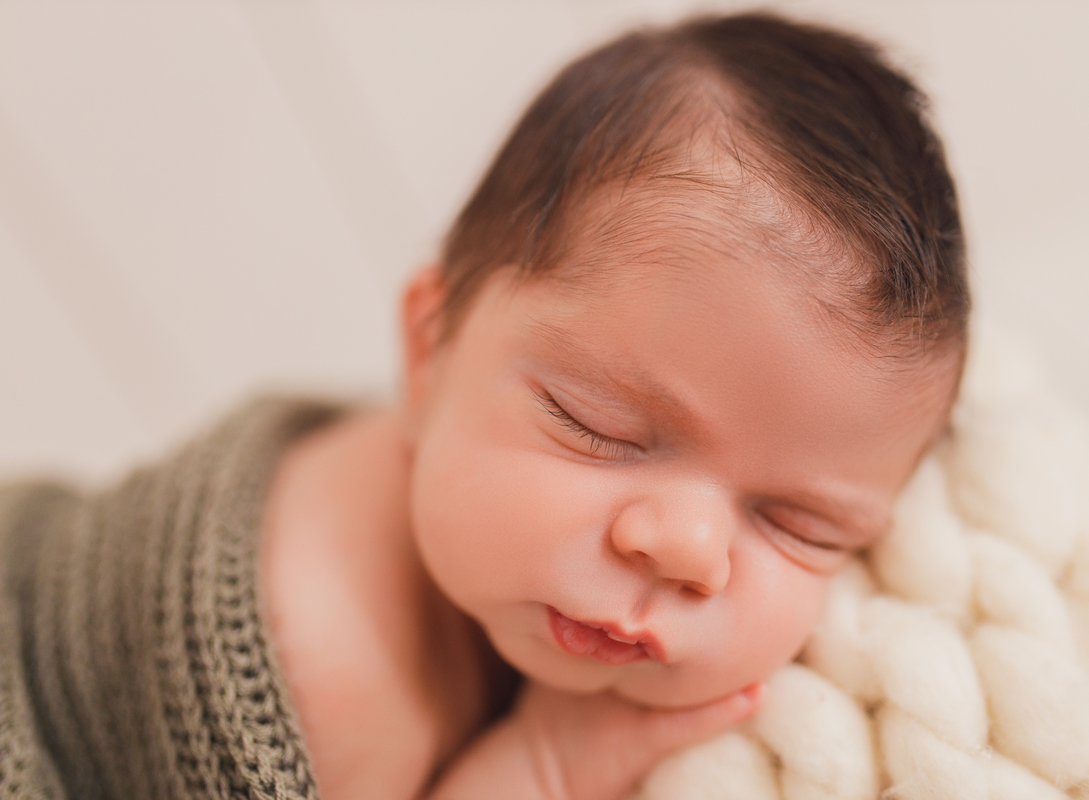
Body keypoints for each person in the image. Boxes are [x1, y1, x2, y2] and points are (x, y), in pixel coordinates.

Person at [0, 12, 968, 800]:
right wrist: (541, 768)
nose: (688, 551)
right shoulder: (327, 691)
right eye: (598, 428)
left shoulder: (470, 480)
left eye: (798, 523)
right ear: (430, 348)